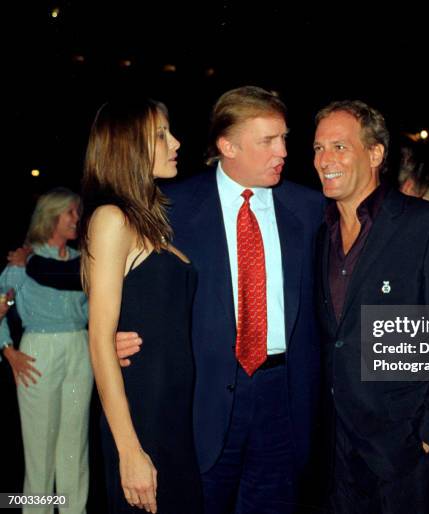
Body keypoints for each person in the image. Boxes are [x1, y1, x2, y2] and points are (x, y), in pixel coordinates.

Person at [113, 86, 325, 514]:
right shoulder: (171, 209)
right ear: (227, 146)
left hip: (283, 395)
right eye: (268, 141)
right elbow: (135, 287)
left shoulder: (311, 208)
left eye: (284, 137)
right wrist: (116, 334)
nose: (283, 151)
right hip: (200, 399)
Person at [313, 100, 429, 514]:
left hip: (407, 457)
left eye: (339, 146)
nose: (324, 160)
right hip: (336, 457)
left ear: (375, 154)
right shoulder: (321, 236)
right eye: (318, 148)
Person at [81, 98, 203, 513]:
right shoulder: (111, 219)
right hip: (141, 413)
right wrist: (130, 451)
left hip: (171, 413)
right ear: (127, 146)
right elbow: (99, 339)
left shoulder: (149, 218)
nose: (175, 142)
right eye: (160, 134)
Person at [0, 187, 91, 514]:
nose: (76, 219)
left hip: (80, 348)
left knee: (74, 444)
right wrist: (7, 350)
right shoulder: (24, 260)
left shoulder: (83, 261)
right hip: (39, 349)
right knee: (40, 445)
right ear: (50, 216)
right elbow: (0, 304)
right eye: (71, 212)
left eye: (77, 212)